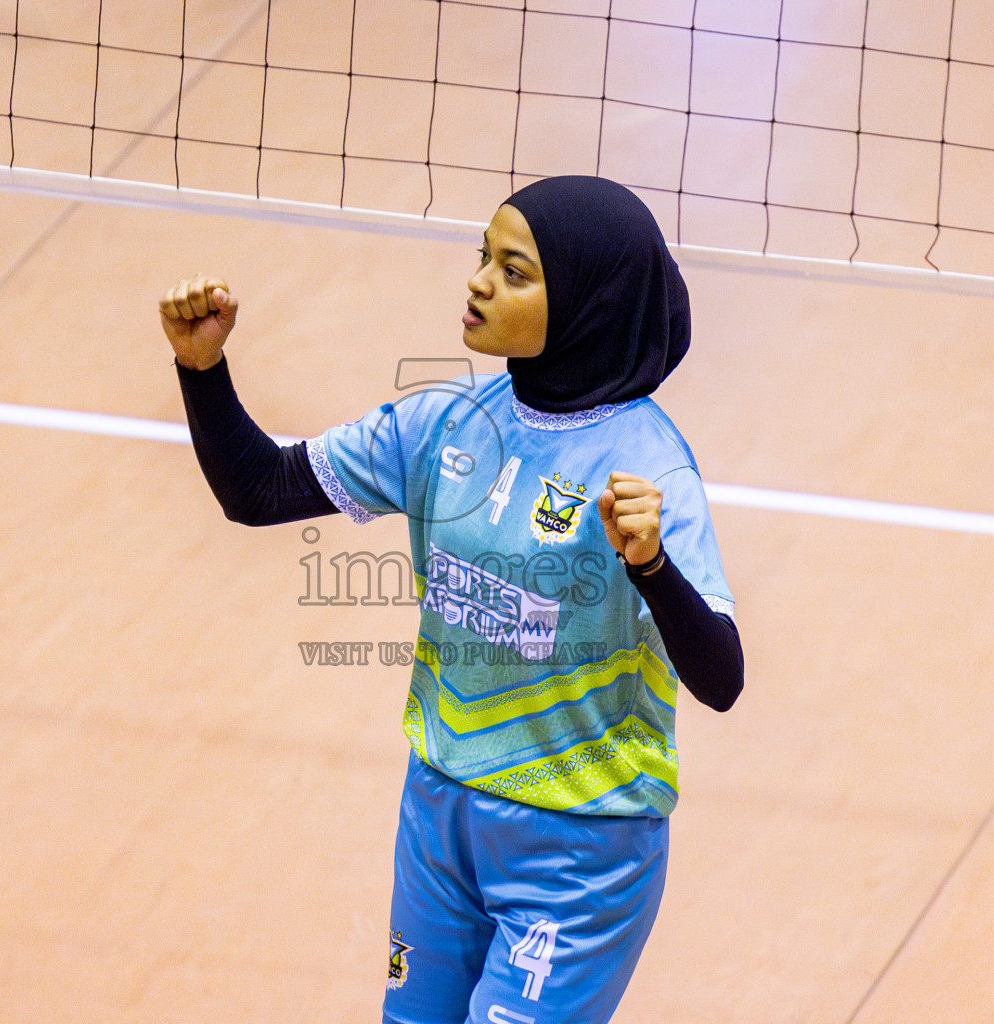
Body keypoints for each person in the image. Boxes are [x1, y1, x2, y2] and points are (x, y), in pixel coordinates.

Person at [159, 175, 743, 1024]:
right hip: (440, 811)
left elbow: (721, 677)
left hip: (581, 845)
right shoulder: (444, 423)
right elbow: (256, 489)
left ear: (586, 303)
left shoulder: (649, 469)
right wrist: (201, 369)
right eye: (484, 259)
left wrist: (652, 564)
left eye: (514, 272)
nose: (477, 283)